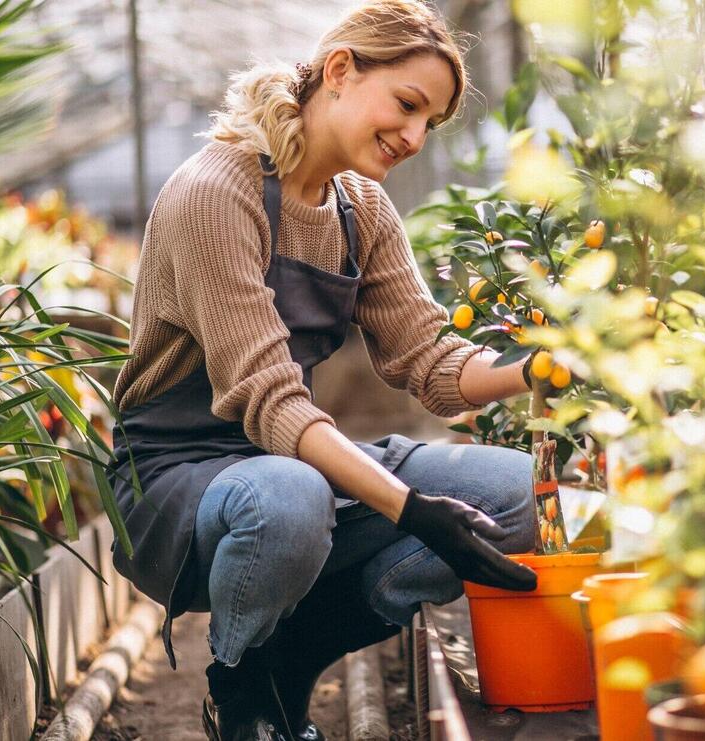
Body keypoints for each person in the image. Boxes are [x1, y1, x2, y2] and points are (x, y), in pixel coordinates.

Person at [107, 2, 544, 739]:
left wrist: (542, 369)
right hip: (178, 474)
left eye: (429, 123)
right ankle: (240, 685)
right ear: (340, 70)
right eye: (407, 105)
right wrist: (412, 510)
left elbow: (431, 363)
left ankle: (294, 657)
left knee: (513, 495)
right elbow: (274, 403)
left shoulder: (360, 209)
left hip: (290, 461)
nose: (412, 136)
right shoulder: (218, 193)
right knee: (289, 497)